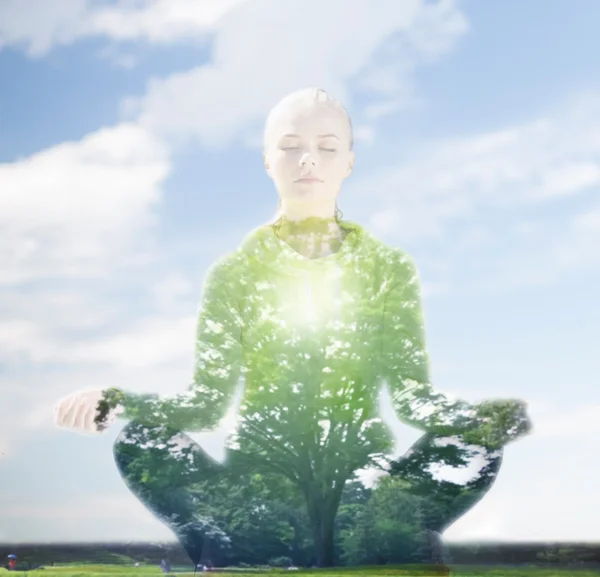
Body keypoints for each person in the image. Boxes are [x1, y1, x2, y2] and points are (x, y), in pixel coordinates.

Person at [54, 87, 532, 569]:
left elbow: (411, 394)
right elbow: (205, 402)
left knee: (470, 447)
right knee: (143, 441)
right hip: (261, 478)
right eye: (290, 147)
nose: (308, 160)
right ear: (267, 161)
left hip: (359, 473)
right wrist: (118, 401)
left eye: (326, 148)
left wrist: (478, 421)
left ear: (348, 162)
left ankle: (308, 539)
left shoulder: (388, 269)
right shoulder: (234, 274)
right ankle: (261, 537)